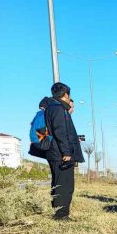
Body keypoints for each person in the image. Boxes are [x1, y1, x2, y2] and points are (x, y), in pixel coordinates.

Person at [39, 82, 84, 220]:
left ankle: (59, 212)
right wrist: (67, 152)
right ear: (66, 95)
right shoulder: (58, 109)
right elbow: (61, 132)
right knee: (64, 185)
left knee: (59, 183)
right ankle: (61, 215)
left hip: (55, 152)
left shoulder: (52, 108)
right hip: (60, 154)